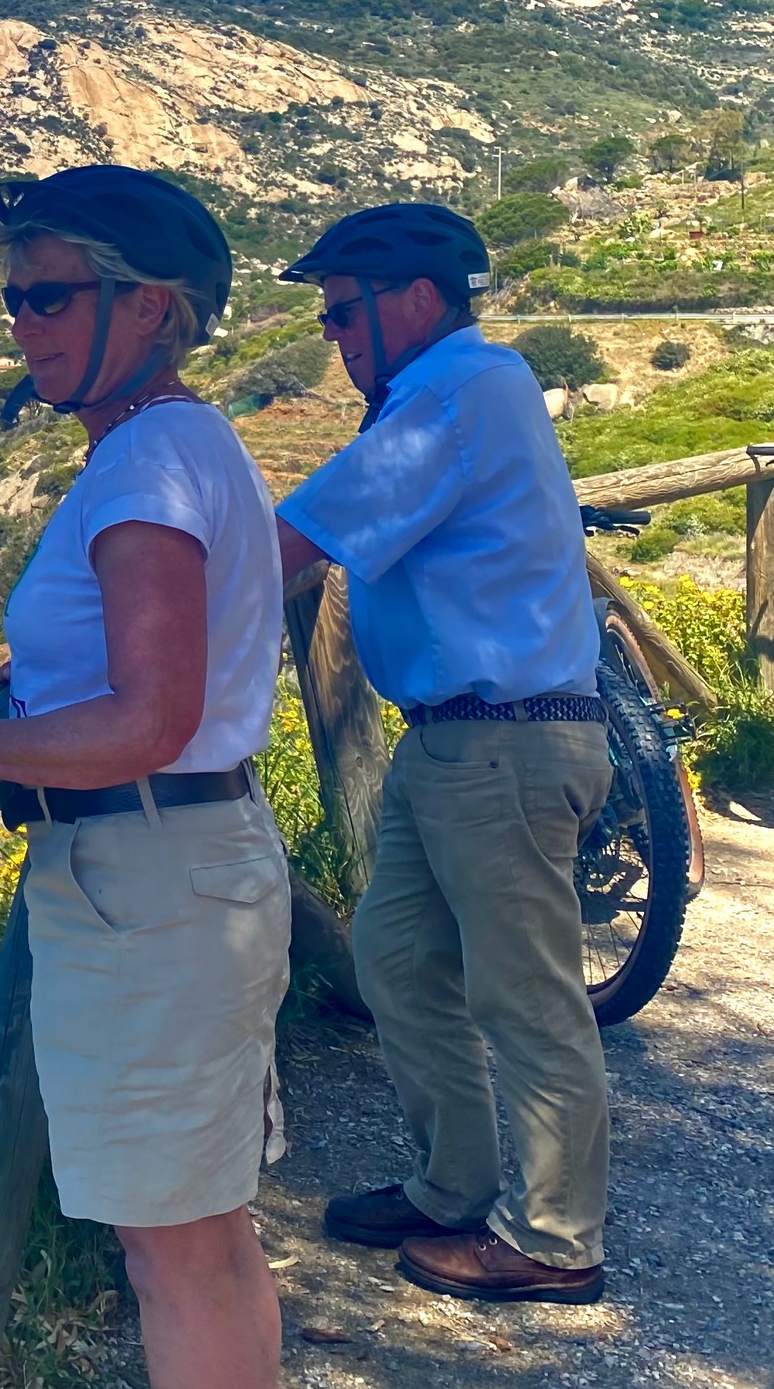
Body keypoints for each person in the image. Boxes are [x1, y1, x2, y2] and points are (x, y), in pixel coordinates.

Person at [0, 165, 290, 1389]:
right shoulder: (183, 441)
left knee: (172, 1254)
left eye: (47, 297)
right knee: (204, 1239)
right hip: (182, 873)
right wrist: (37, 685)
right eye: (13, 302)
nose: (22, 326)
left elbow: (148, 718)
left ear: (148, 307)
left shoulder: (147, 465)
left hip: (146, 886)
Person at [271, 203, 611, 1307]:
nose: (332, 334)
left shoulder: (457, 390)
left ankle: (555, 1241)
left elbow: (294, 544)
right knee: (399, 963)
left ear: (413, 298)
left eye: (340, 311)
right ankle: (451, 1189)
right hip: (455, 742)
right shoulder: (441, 393)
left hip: (500, 745)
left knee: (525, 998)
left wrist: (116, 613)